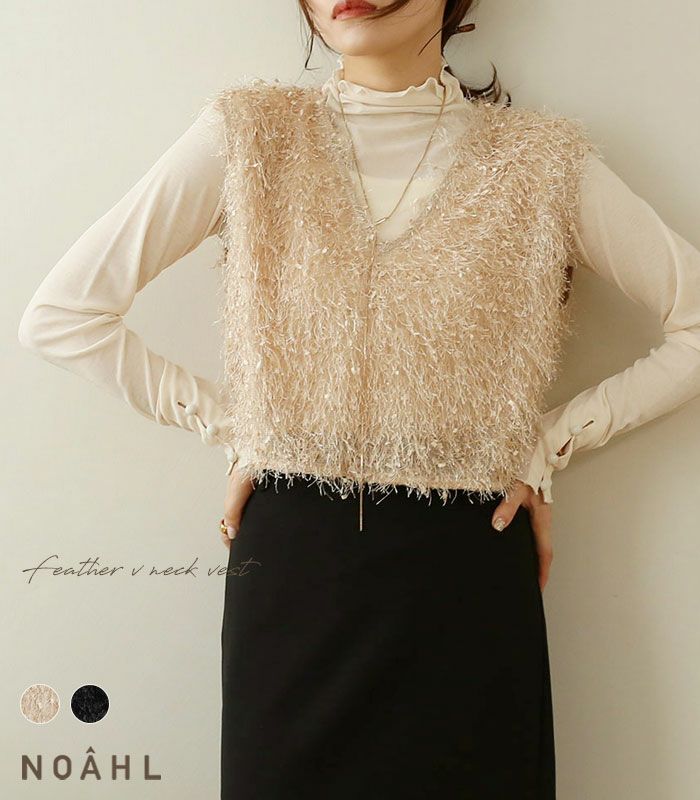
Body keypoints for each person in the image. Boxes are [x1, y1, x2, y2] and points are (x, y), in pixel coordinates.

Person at [17, 1, 700, 798]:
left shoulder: (541, 161)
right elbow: (62, 318)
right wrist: (245, 430)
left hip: (469, 572)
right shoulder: (249, 136)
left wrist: (546, 443)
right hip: (295, 574)